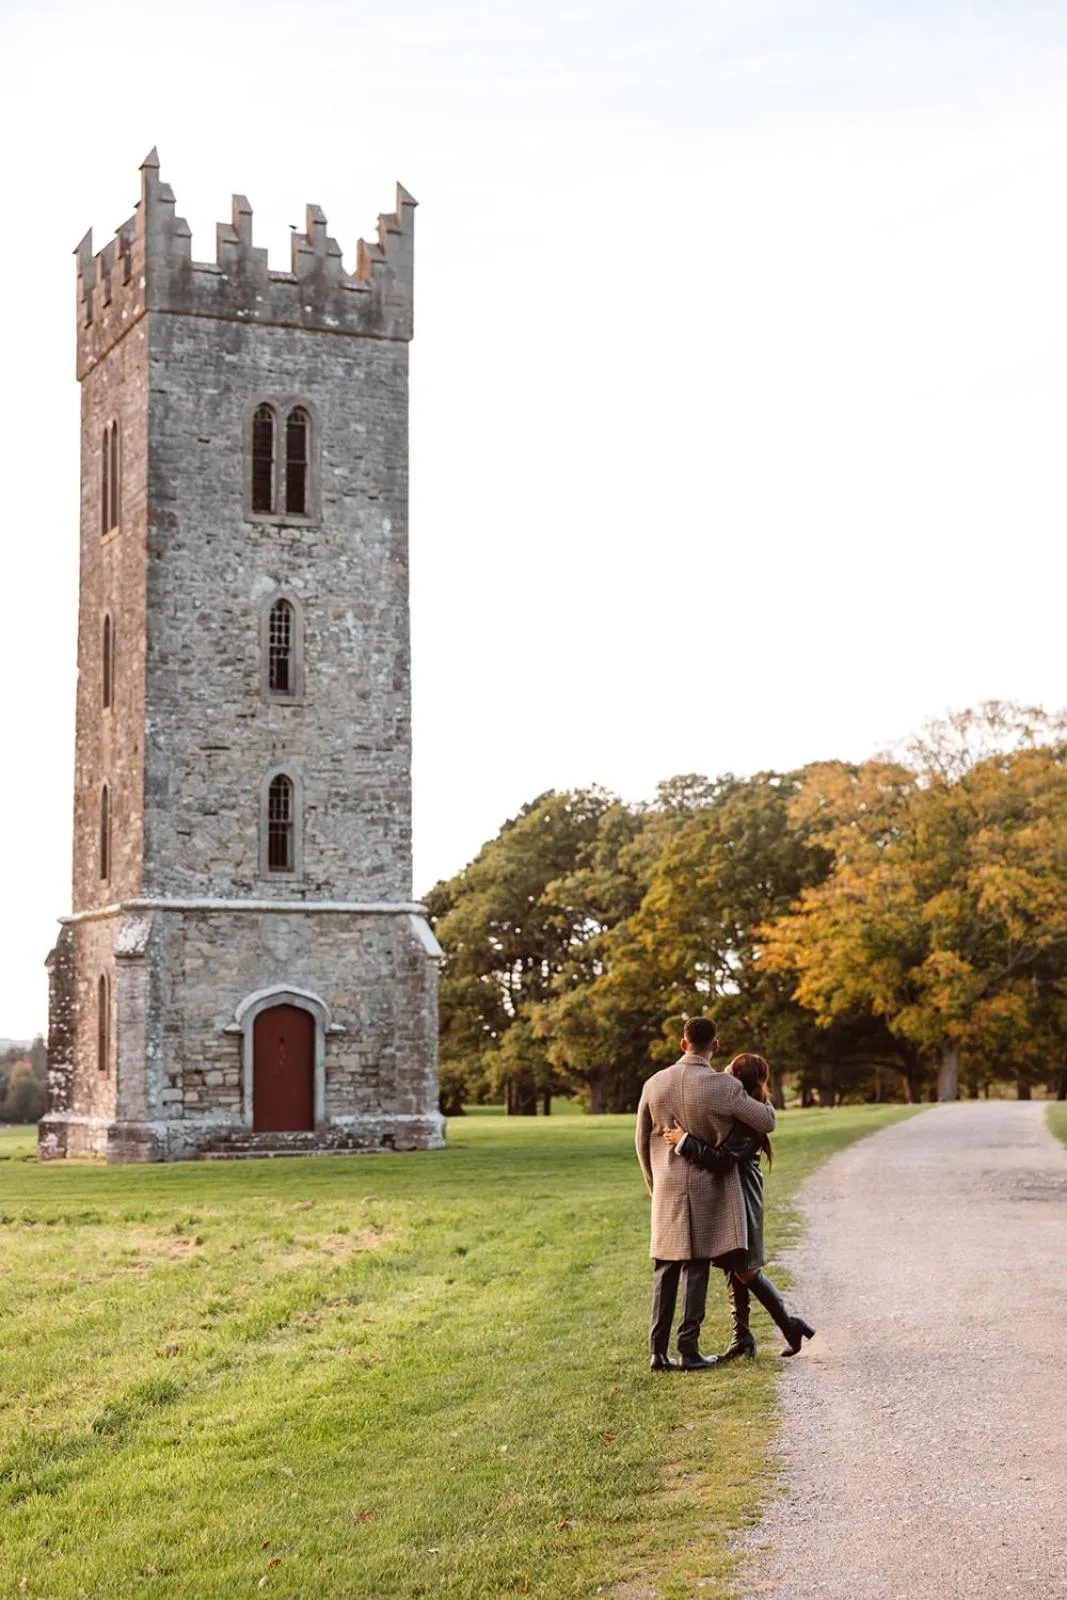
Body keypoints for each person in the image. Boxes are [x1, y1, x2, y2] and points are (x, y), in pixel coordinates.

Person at [635, 1017, 777, 1372]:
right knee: (696, 1268)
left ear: (683, 1044)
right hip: (705, 1189)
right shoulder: (723, 1087)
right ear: (715, 1045)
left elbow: (641, 1142)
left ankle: (657, 1353)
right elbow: (766, 1121)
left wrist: (655, 1185)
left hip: (666, 1189)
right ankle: (689, 1350)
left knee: (664, 1269)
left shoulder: (654, 1083)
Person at [663, 1052, 815, 1361]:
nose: (723, 1070)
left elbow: (722, 1159)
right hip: (734, 1191)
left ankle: (790, 1326)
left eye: (729, 1068)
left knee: (745, 1269)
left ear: (735, 1078)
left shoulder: (749, 1121)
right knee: (734, 1264)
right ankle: (742, 1336)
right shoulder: (743, 1106)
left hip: (743, 1193)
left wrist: (684, 1141)